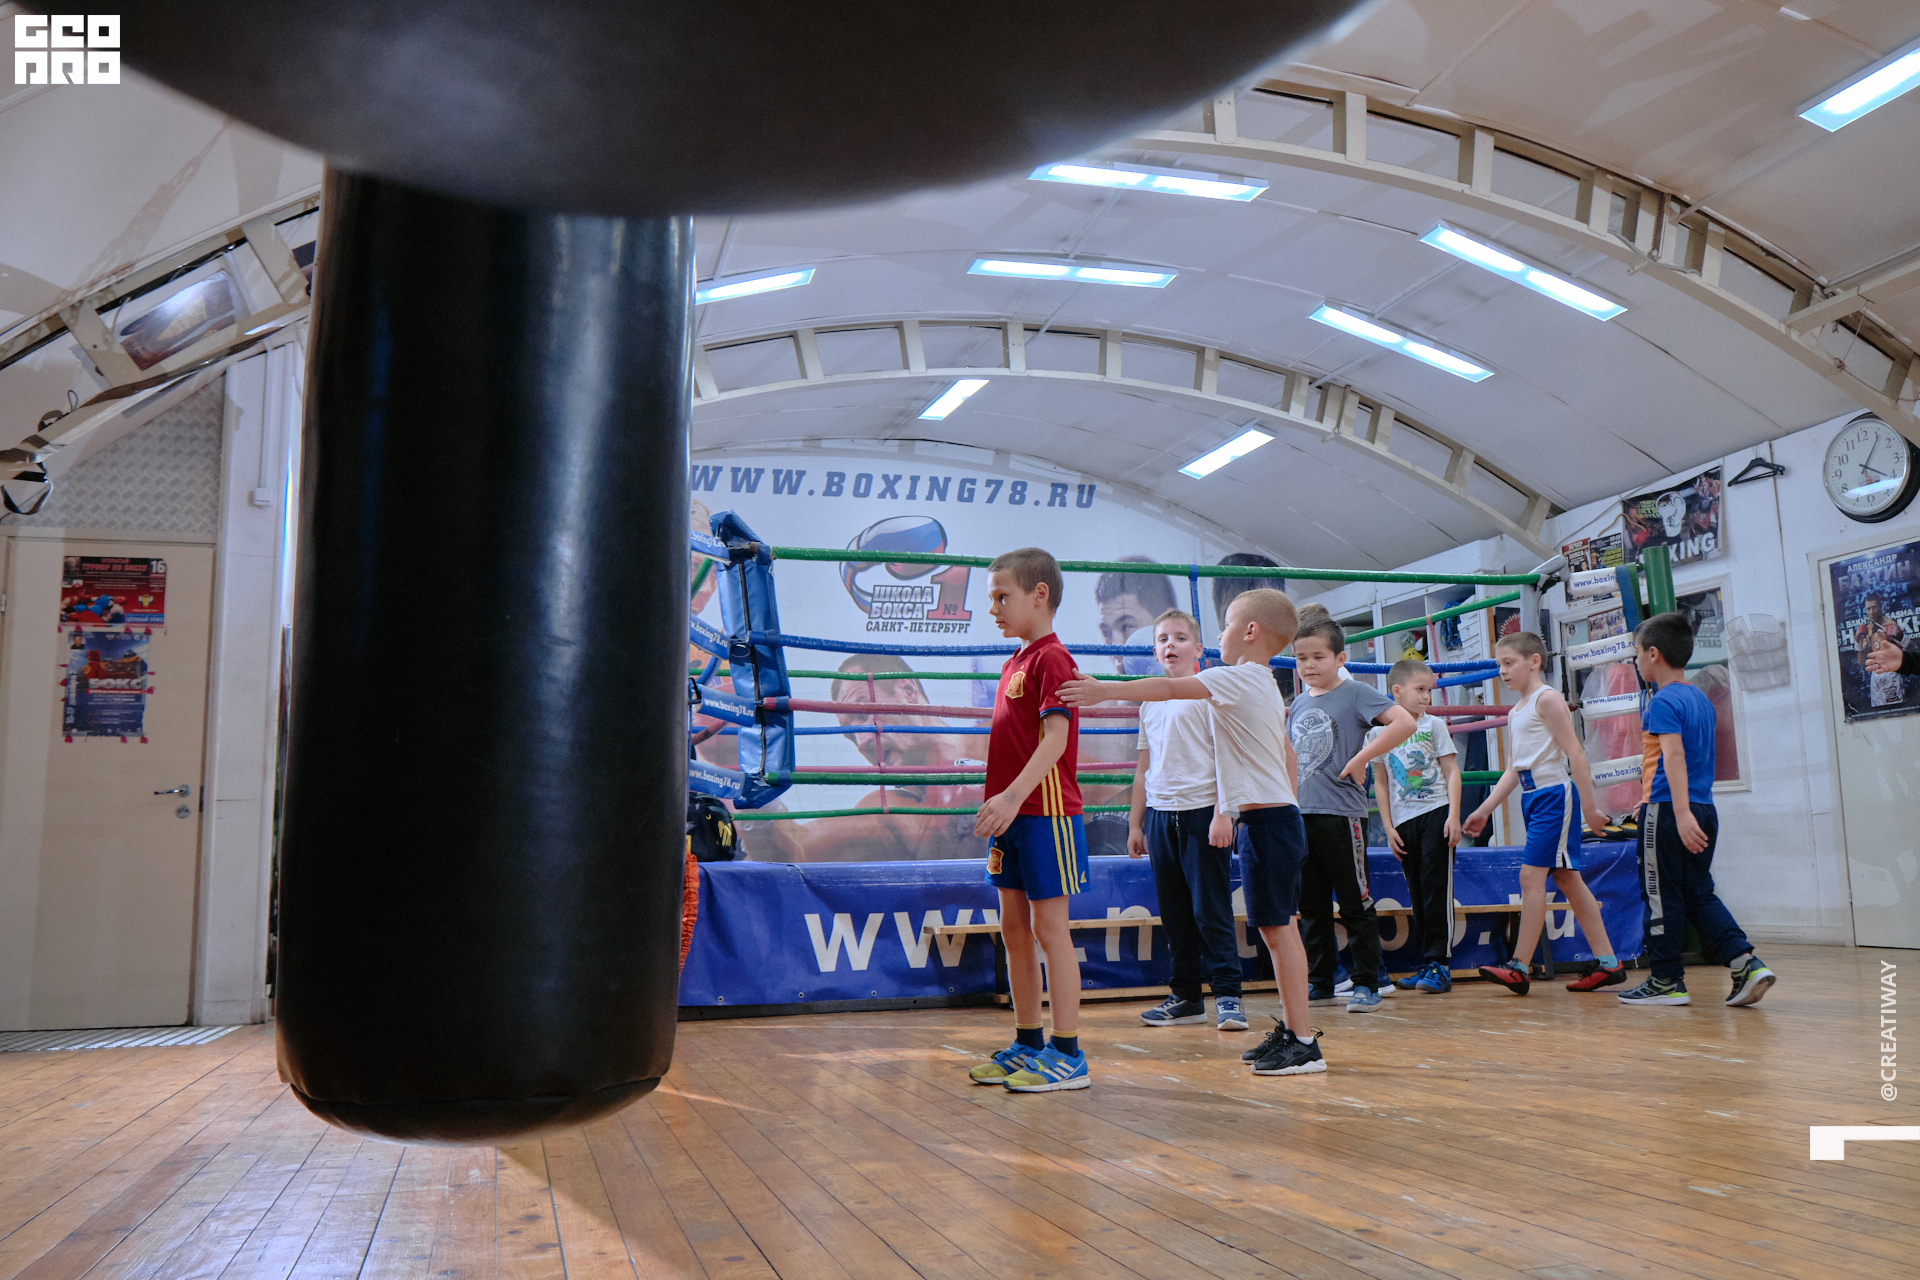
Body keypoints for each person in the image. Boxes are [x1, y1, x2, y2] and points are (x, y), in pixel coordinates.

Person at [1063, 588, 1328, 1077]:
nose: (1221, 635)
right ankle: (1294, 1031)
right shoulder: (1259, 682)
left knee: (1279, 931)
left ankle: (1304, 1041)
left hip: (1269, 822)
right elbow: (1283, 754)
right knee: (1275, 931)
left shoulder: (1239, 677)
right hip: (1265, 821)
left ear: (1250, 632)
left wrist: (1103, 690)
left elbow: (1167, 690)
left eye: (1226, 626)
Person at [965, 547, 1091, 1094]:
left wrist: (1012, 798)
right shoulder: (1013, 662)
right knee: (1014, 930)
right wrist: (1002, 802)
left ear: (1039, 595)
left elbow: (1056, 740)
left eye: (1002, 596)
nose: (993, 608)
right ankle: (1028, 1041)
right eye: (991, 597)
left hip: (1046, 815)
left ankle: (1068, 1053)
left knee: (1049, 930)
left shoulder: (1052, 659)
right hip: (1011, 816)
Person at [1617, 613, 1777, 1007]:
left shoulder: (1662, 700)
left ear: (1653, 654)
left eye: (1637, 653)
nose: (1635, 661)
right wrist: (1663, 800)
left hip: (1673, 811)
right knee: (1698, 893)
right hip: (1702, 807)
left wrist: (1676, 810)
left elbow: (1673, 756)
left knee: (1659, 894)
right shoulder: (1699, 699)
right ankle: (1745, 962)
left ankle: (1665, 980)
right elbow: (1682, 759)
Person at [1463, 632, 1623, 994]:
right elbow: (1514, 769)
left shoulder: (1547, 699)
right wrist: (1485, 809)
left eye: (1509, 663)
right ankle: (1608, 962)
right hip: (1533, 797)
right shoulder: (1515, 711)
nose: (1502, 671)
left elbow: (1575, 753)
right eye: (1499, 665)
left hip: (1554, 795)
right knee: (1567, 878)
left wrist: (1590, 807)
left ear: (1534, 661)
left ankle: (1519, 966)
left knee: (1530, 877)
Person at [1126, 609, 1246, 1033]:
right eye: (1163, 638)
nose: (1170, 644)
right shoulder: (1149, 703)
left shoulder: (1209, 694)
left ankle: (1228, 995)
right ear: (1155, 651)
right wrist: (1136, 824)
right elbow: (1143, 767)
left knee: (1210, 910)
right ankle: (1187, 997)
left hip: (1202, 814)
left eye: (1179, 637)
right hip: (1160, 817)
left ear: (1198, 649)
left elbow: (1227, 757)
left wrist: (1223, 813)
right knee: (1175, 914)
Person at [1288, 618, 1415, 1012]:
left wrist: (1362, 757)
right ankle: (1322, 981)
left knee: (1354, 901)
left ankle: (1367, 984)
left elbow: (1405, 722)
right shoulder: (1298, 703)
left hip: (1342, 815)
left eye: (1318, 656)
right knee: (1311, 906)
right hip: (1302, 815)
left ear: (1340, 658)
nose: (1309, 665)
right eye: (1301, 658)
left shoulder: (1356, 692)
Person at [1368, 659, 1461, 995]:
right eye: (1420, 689)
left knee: (1436, 889)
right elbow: (1380, 782)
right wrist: (1388, 826)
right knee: (1418, 893)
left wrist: (1453, 815)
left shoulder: (1433, 725)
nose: (1426, 697)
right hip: (1403, 820)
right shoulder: (1379, 732)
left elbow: (1452, 771)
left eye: (1429, 691)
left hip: (1436, 812)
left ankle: (1440, 964)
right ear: (1397, 690)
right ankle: (1426, 963)